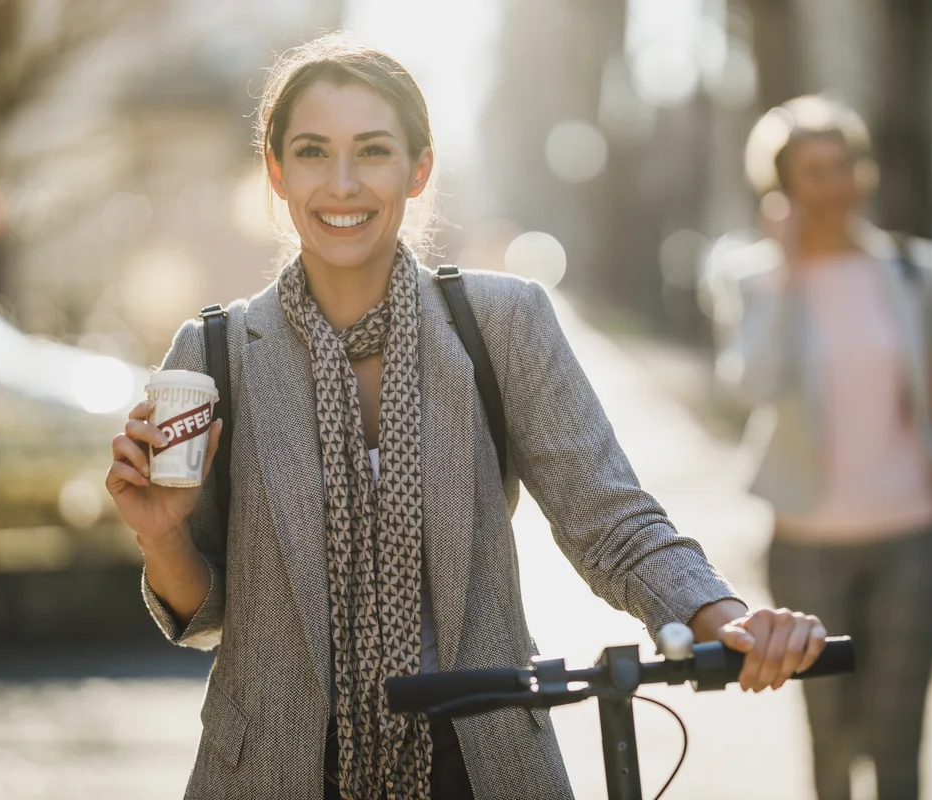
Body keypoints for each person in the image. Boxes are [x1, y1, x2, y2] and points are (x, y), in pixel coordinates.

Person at [107, 35, 828, 800]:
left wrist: (720, 615)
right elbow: (207, 611)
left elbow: (610, 520)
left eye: (374, 151)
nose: (343, 184)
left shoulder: (502, 321)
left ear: (419, 170)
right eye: (313, 152)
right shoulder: (216, 352)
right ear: (276, 171)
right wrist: (162, 533)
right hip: (272, 773)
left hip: (482, 763)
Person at [710, 96, 932, 800]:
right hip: (808, 542)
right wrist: (783, 271)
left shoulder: (909, 270)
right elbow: (749, 385)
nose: (836, 185)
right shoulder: (754, 279)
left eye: (845, 165)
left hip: (913, 534)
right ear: (782, 188)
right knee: (831, 742)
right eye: (815, 171)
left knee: (899, 742)